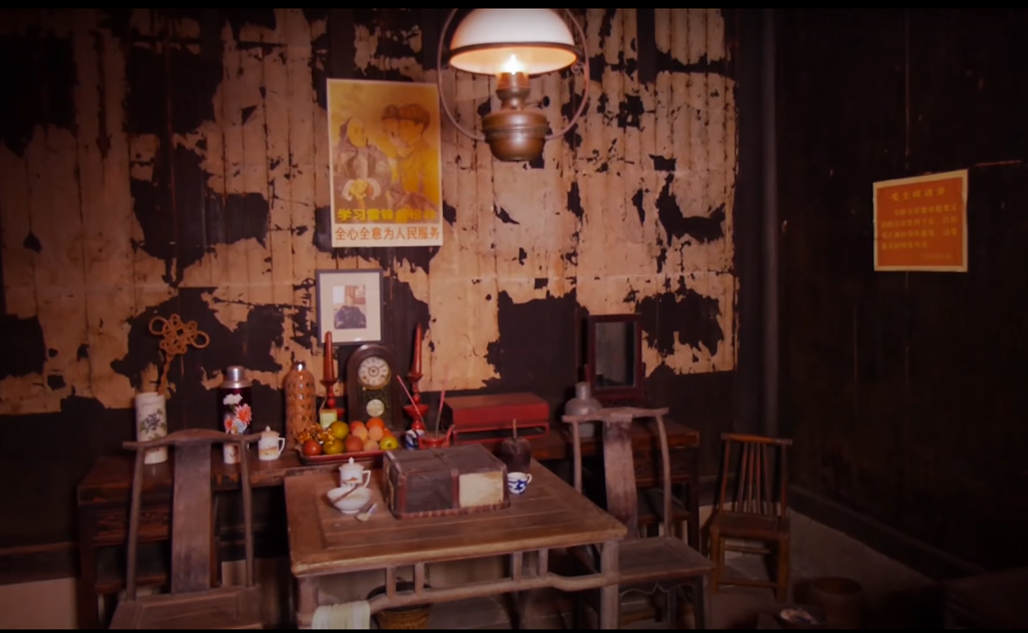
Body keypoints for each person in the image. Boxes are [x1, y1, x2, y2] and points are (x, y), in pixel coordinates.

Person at [332, 117, 392, 218]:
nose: (361, 135)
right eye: (356, 131)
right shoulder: (336, 152)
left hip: (373, 209)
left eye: (362, 131)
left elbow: (384, 171)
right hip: (345, 209)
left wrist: (370, 185)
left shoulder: (374, 151)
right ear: (346, 135)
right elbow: (330, 175)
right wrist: (349, 186)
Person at [390, 103, 440, 219]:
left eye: (406, 125)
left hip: (420, 216)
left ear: (419, 128)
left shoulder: (429, 154)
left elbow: (431, 197)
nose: (400, 130)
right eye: (400, 126)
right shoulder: (401, 154)